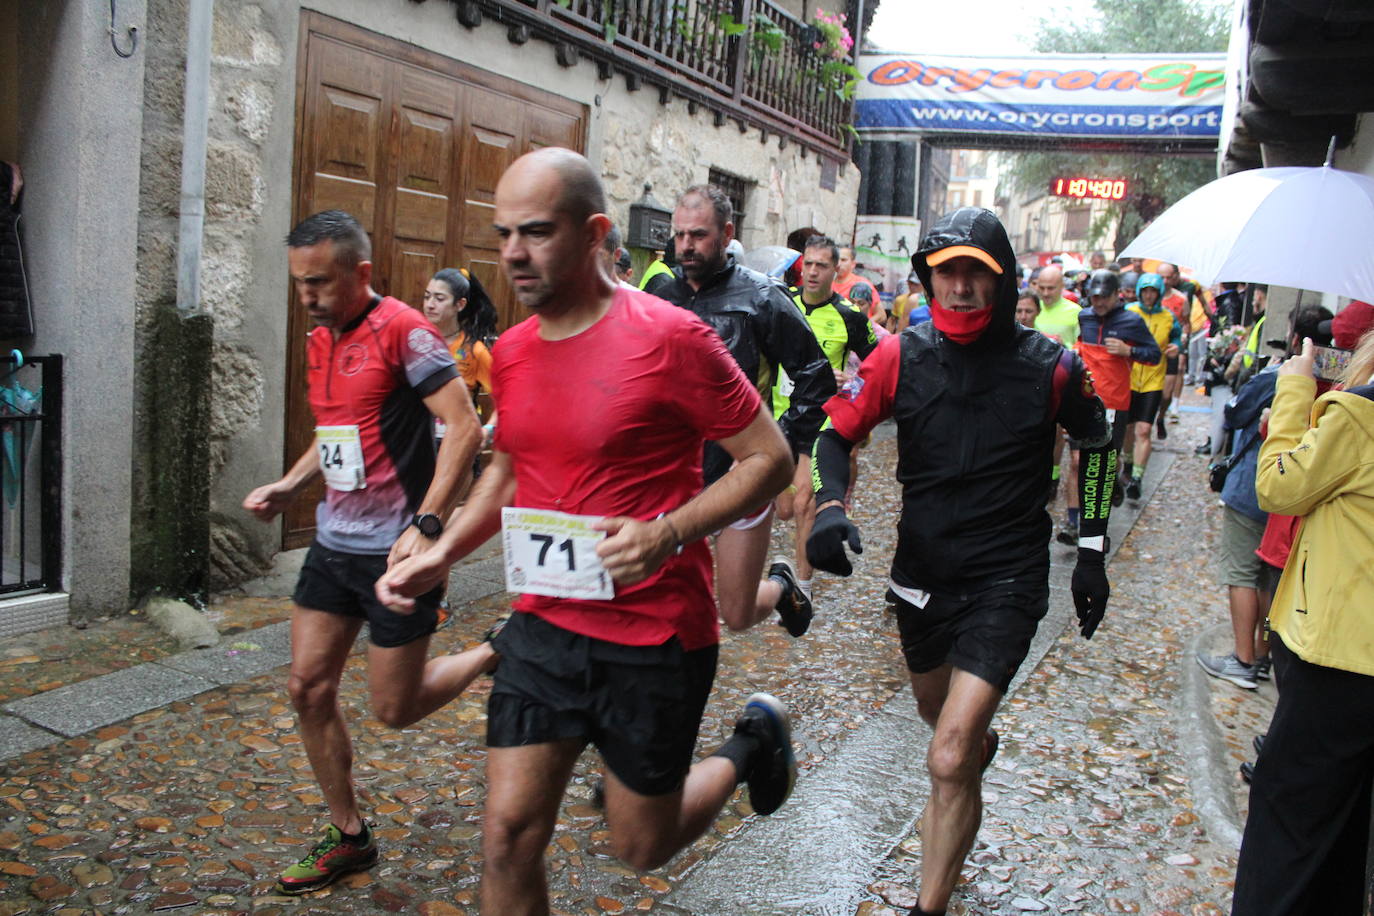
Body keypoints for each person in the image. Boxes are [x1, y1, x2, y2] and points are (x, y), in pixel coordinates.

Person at [374, 148, 799, 914]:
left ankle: (749, 748)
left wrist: (666, 533)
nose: (511, 253)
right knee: (506, 836)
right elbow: (507, 474)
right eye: (504, 233)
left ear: (595, 232)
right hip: (543, 624)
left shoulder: (674, 337)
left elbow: (768, 459)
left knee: (642, 845)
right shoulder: (512, 351)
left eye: (534, 232)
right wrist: (438, 550)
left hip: (655, 632)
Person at [806, 207, 1117, 916]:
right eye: (948, 273)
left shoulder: (1053, 366)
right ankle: (974, 741)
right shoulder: (898, 355)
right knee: (940, 719)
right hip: (922, 575)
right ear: (929, 280)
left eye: (978, 273)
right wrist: (829, 508)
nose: (962, 288)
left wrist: (1092, 555)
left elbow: (1097, 445)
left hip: (1007, 577)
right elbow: (833, 432)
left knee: (947, 756)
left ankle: (929, 905)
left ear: (1003, 280)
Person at [243, 210, 496, 895]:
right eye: (299, 284)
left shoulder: (406, 334)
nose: (307, 298)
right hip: (333, 542)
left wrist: (430, 521)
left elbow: (465, 428)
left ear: (360, 273)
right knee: (307, 687)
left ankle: (497, 649)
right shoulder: (322, 338)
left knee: (396, 706)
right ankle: (349, 835)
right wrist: (291, 484)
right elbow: (338, 435)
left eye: (319, 283)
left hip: (397, 553)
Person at [1231, 326, 1374, 916]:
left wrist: (1292, 391)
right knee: (1345, 826)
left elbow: (1277, 485)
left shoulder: (1359, 413)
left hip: (1340, 650)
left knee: (1288, 816)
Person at [654, 184, 836, 636]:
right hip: (673, 474)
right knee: (658, 598)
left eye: (697, 235)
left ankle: (781, 585)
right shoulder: (660, 296)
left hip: (741, 473)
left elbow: (816, 376)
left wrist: (780, 447)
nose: (685, 246)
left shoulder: (762, 298)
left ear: (727, 232)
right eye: (679, 235)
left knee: (735, 613)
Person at [1198, 304, 1333, 690]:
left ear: (1296, 339)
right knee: (1270, 576)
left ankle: (1242, 659)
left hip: (1256, 485)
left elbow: (1235, 413)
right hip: (1296, 502)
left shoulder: (1283, 377)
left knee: (1241, 571)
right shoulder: (1344, 390)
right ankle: (1260, 653)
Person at [773, 235, 877, 604]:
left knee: (803, 502)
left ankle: (802, 588)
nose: (812, 272)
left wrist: (850, 386)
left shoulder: (849, 315)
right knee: (783, 508)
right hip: (779, 417)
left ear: (836, 270)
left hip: (820, 420)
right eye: (808, 264)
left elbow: (878, 365)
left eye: (821, 265)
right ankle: (793, 569)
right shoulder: (781, 303)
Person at [1056, 269, 1160, 542]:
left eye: (1104, 297)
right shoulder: (1085, 316)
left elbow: (1154, 355)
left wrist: (1130, 351)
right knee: (1078, 461)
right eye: (1094, 297)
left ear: (1117, 295)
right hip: (1084, 399)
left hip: (1115, 403)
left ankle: (1101, 509)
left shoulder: (1131, 321)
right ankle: (1072, 523)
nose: (1098, 303)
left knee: (1103, 464)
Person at [1121, 273, 1182, 500]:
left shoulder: (1167, 317)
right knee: (1127, 429)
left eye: (1153, 291)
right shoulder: (1129, 312)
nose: (1148, 295)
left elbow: (1177, 337)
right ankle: (1127, 464)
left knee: (1143, 429)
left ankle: (1137, 477)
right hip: (1129, 378)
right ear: (1139, 291)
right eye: (1145, 291)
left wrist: (1176, 347)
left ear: (1158, 293)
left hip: (1153, 380)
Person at [423, 267, 499, 448]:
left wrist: (487, 430)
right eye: (427, 296)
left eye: (439, 299)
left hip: (456, 445)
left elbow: (504, 400)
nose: (430, 304)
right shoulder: (414, 341)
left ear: (460, 304)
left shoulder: (475, 351)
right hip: (416, 442)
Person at [1031, 264, 1080, 348]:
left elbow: (1082, 349)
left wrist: (1063, 345)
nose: (1045, 293)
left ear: (1062, 286)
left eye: (1050, 288)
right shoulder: (1031, 308)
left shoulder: (1076, 311)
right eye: (1042, 288)